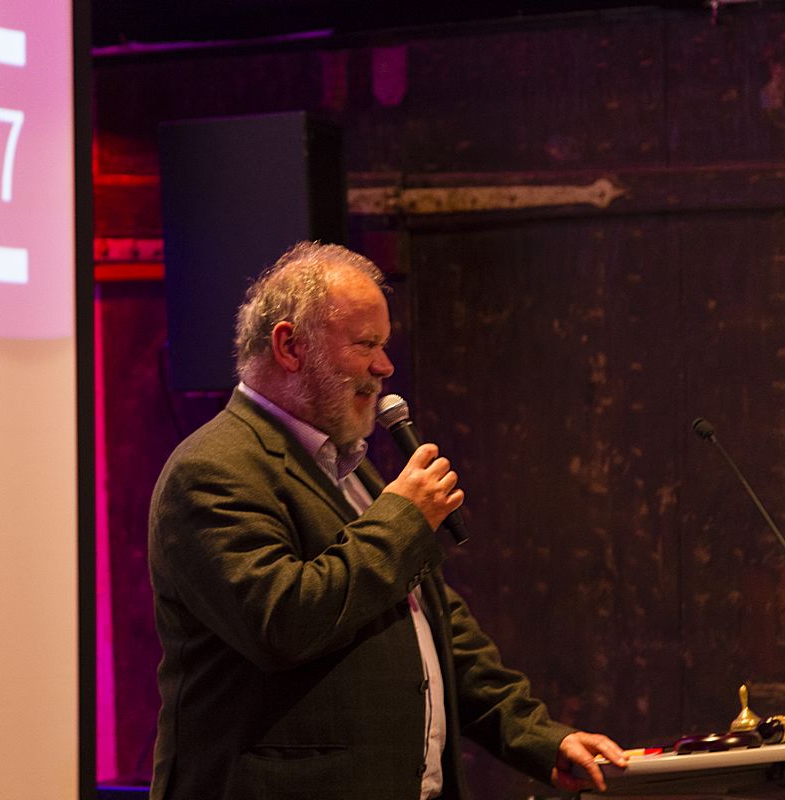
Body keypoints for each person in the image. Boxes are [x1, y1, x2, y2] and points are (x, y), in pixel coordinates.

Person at [147, 241, 627, 799]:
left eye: (383, 345)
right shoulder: (214, 468)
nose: (384, 366)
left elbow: (429, 621)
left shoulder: (344, 465)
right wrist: (403, 520)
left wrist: (536, 737)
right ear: (290, 346)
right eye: (365, 344)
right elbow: (281, 622)